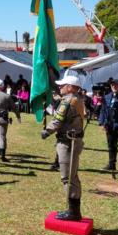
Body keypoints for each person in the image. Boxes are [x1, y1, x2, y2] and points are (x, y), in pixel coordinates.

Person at [41, 75, 86, 220]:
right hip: (74, 140)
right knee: (73, 177)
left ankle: (72, 213)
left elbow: (57, 121)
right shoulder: (77, 100)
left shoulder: (67, 101)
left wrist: (46, 131)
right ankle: (74, 210)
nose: (60, 87)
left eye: (63, 85)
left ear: (71, 87)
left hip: (68, 143)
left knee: (68, 178)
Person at [0, 79, 21, 162]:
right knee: (2, 136)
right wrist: (18, 116)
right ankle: (2, 155)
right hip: (3, 118)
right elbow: (14, 107)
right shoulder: (7, 96)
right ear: (3, 86)